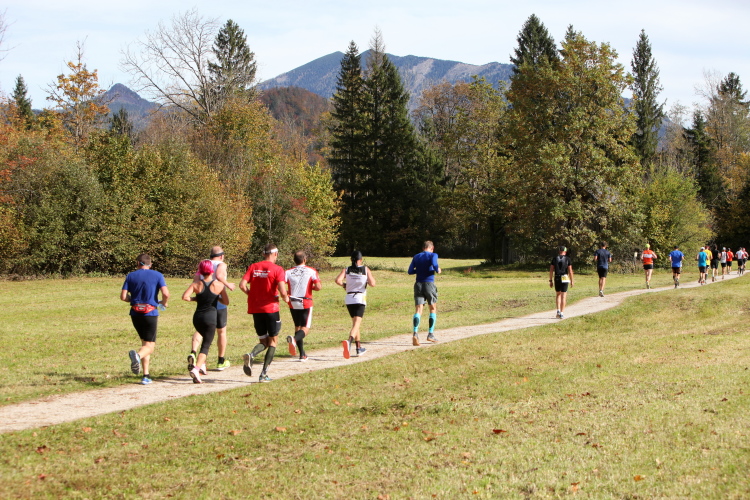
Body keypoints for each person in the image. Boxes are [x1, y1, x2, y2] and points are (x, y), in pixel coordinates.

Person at [239, 244, 290, 382]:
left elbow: (242, 285)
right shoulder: (278, 269)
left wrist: (251, 295)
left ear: (263, 254)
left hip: (256, 309)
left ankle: (252, 354)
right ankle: (263, 374)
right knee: (273, 341)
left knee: (263, 341)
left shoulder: (253, 266)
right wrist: (286, 298)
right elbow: (282, 290)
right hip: (271, 309)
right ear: (275, 254)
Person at [120, 254, 169, 385]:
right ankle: (138, 356)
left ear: (138, 263)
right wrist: (164, 303)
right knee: (150, 346)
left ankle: (146, 375)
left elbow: (123, 296)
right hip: (150, 313)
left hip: (135, 313)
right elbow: (166, 293)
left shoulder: (130, 276)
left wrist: (134, 300)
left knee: (145, 343)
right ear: (150, 264)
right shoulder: (157, 275)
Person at [187, 246, 235, 374]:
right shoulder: (221, 264)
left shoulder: (203, 263)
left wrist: (198, 296)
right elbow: (219, 276)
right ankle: (220, 360)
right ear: (222, 256)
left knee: (201, 329)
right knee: (221, 331)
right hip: (216, 298)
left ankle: (194, 352)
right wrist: (228, 284)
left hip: (203, 299)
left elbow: (196, 280)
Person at [182, 260, 229, 383]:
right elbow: (226, 302)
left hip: (197, 318)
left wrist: (196, 299)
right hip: (210, 318)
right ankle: (196, 369)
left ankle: (201, 363)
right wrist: (216, 298)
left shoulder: (196, 284)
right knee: (206, 346)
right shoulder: (219, 285)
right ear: (212, 271)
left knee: (201, 336)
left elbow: (185, 297)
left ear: (201, 271)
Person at [335, 250, 376, 358]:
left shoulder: (346, 269)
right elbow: (372, 283)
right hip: (360, 298)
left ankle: (358, 348)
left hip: (349, 298)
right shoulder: (365, 269)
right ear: (361, 260)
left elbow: (338, 280)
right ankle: (349, 341)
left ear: (351, 259)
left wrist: (345, 285)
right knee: (357, 324)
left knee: (355, 323)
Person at [285, 250, 322, 361]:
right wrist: (312, 287)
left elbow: (280, 285)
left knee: (297, 326)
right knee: (305, 328)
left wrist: (286, 293)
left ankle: (302, 354)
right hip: (306, 301)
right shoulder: (311, 271)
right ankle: (294, 339)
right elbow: (318, 287)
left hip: (292, 301)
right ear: (305, 259)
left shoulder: (288, 272)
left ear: (294, 260)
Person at [408, 241, 441, 346]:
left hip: (418, 284)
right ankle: (430, 334)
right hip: (429, 284)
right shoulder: (433, 255)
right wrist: (437, 269)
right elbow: (435, 265)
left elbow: (410, 271)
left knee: (418, 310)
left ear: (423, 248)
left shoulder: (416, 256)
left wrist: (419, 270)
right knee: (432, 308)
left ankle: (415, 333)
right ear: (432, 248)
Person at [549, 246, 574, 319]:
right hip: (565, 277)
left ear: (558, 251)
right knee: (564, 295)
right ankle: (562, 313)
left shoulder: (554, 259)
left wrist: (550, 280)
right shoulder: (568, 259)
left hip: (557, 277)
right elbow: (570, 271)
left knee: (558, 294)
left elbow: (551, 270)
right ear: (565, 252)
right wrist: (572, 280)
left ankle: (558, 310)